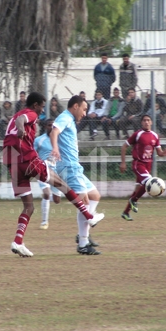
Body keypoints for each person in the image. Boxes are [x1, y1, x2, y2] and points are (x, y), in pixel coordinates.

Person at [3, 92, 104, 257]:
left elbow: (16, 122)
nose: (42, 110)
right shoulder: (29, 113)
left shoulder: (17, 114)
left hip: (11, 162)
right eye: (42, 107)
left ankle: (18, 242)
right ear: (35, 105)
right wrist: (22, 129)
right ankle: (89, 217)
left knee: (29, 206)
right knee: (62, 185)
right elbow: (21, 121)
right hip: (27, 158)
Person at [50, 95, 107, 255]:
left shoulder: (70, 120)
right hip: (69, 167)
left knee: (95, 196)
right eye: (83, 109)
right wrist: (55, 149)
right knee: (84, 202)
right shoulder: (65, 118)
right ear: (75, 106)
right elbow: (54, 132)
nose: (84, 113)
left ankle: (84, 232)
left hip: (75, 166)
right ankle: (83, 242)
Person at [119, 114, 166, 221]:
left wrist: (163, 153)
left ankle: (125, 213)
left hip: (148, 166)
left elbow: (159, 152)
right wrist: (123, 163)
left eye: (148, 120)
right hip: (138, 164)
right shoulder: (138, 134)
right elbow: (124, 146)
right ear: (141, 123)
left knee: (138, 189)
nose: (146, 122)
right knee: (149, 183)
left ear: (151, 122)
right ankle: (133, 200)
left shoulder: (155, 136)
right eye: (144, 120)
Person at [34, 119, 62, 230]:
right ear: (45, 126)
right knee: (46, 193)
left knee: (57, 200)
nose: (52, 127)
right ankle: (44, 222)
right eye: (50, 125)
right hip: (42, 169)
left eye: (54, 125)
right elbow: (32, 154)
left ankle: (47, 202)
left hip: (56, 171)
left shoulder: (59, 140)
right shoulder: (39, 140)